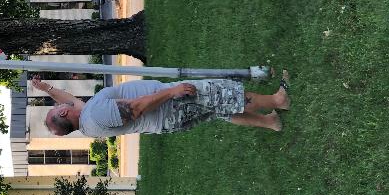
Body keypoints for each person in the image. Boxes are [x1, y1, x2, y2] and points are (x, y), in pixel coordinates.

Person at [30, 72, 291, 136]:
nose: (60, 105)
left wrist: (47, 89)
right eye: (56, 108)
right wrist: (171, 92)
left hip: (167, 119)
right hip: (169, 106)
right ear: (64, 113)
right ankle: (279, 100)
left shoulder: (87, 123)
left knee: (219, 111)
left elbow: (70, 101)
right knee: (222, 96)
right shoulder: (96, 114)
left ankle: (270, 122)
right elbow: (135, 109)